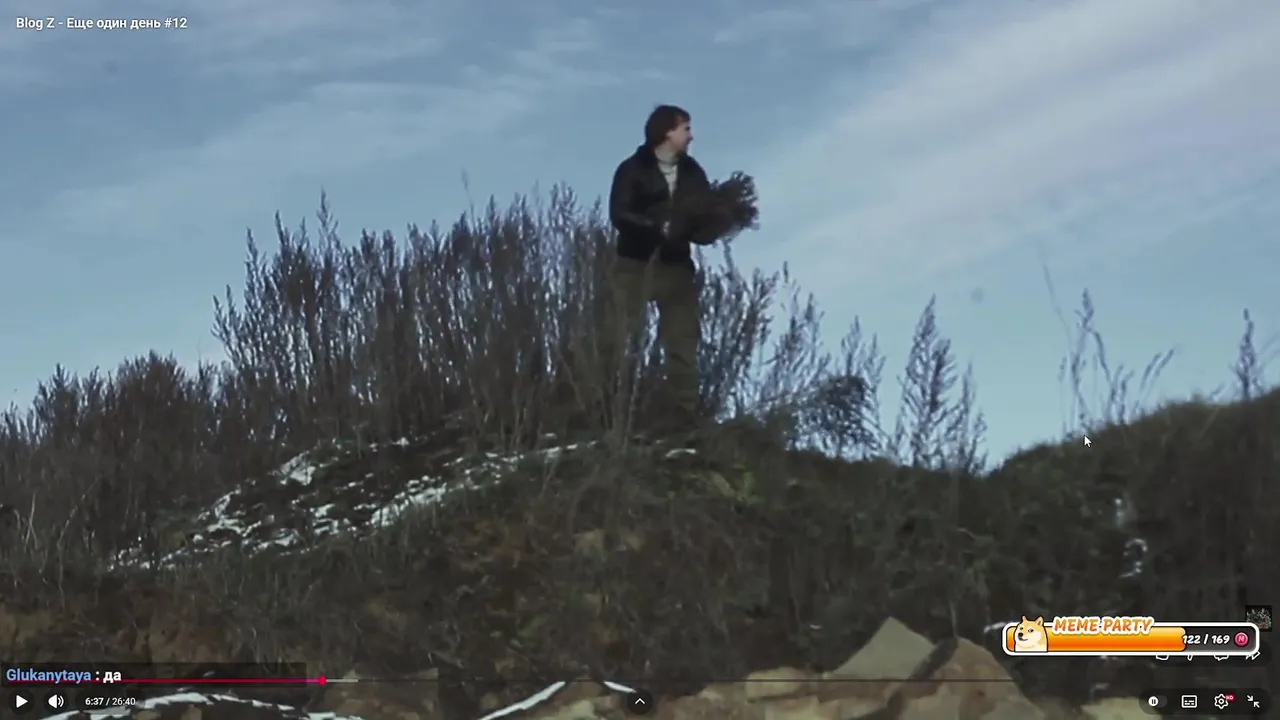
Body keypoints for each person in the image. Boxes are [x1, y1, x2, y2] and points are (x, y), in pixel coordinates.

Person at [607, 104, 715, 433]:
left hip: (677, 267)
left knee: (683, 342)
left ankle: (683, 418)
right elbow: (620, 214)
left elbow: (703, 220)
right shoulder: (633, 168)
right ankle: (609, 413)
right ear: (667, 132)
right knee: (616, 337)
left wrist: (713, 226)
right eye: (686, 128)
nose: (691, 135)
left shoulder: (693, 173)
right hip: (634, 264)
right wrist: (657, 228)